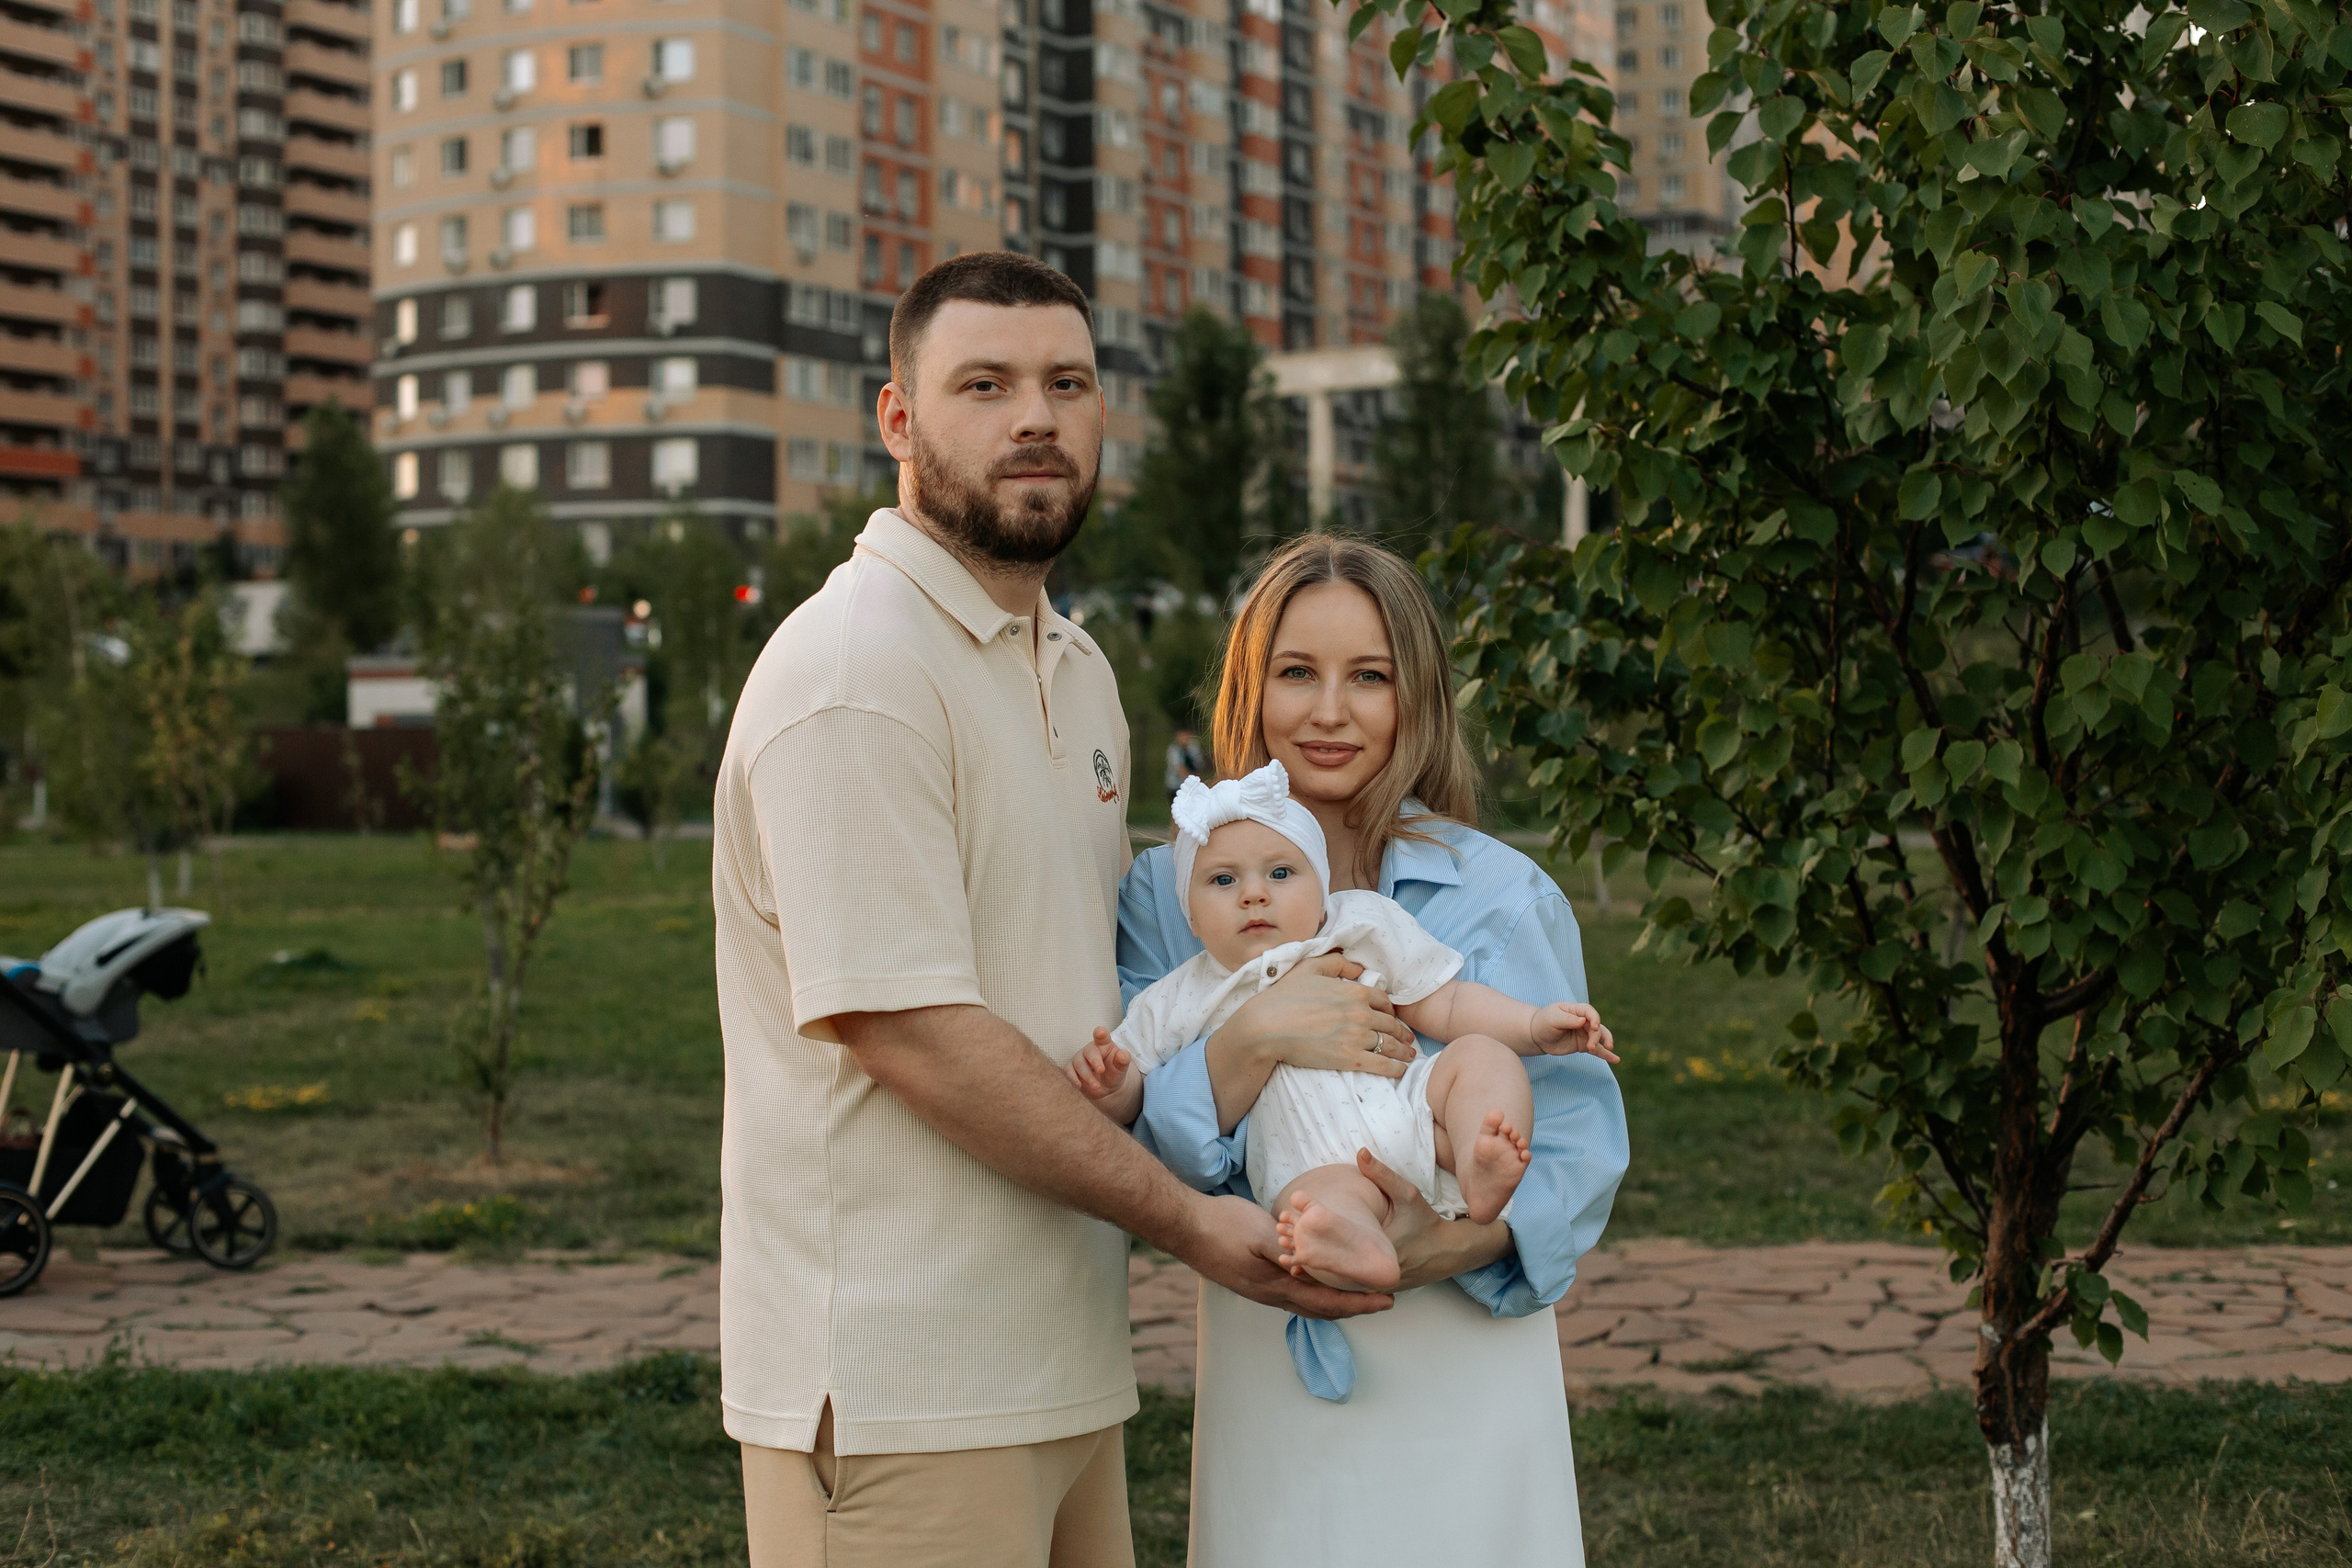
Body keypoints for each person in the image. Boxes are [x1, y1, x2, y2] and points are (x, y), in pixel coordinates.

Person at [710, 252, 1385, 1568]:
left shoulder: (1074, 666)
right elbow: (912, 1032)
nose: (1035, 417)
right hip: (905, 1386)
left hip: (1064, 1361)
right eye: (985, 385)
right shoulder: (855, 673)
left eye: (1067, 384)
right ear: (897, 419)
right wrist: (1186, 1220)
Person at [1118, 535, 1631, 1565]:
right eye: (1296, 672)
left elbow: (1578, 1146)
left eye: (1369, 677)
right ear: (1251, 689)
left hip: (1466, 1345)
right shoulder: (1171, 897)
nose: (1329, 711)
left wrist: (1441, 1245)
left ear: (1417, 696)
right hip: (1274, 1323)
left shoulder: (1498, 891)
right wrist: (1257, 1036)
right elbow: (1139, 1145)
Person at [1070, 759, 1617, 1302]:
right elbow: (1136, 1087)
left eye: (1280, 873)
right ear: (1190, 914)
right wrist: (1112, 1085)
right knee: (1315, 1207)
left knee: (1481, 1057)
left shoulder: (1359, 926)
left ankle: (1480, 1165)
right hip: (1313, 1157)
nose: (1253, 894)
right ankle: (1361, 1248)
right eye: (1223, 880)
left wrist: (1531, 1026)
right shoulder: (1182, 993)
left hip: (1416, 1113)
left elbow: (1447, 1002)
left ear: (1322, 887)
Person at [1164, 726, 1206, 805]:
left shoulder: (1193, 748)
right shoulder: (1174, 750)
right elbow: (1180, 769)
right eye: (1182, 736)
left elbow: (1199, 765)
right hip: (1176, 786)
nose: (1185, 738)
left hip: (1192, 786)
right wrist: (1193, 782)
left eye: (1187, 736)